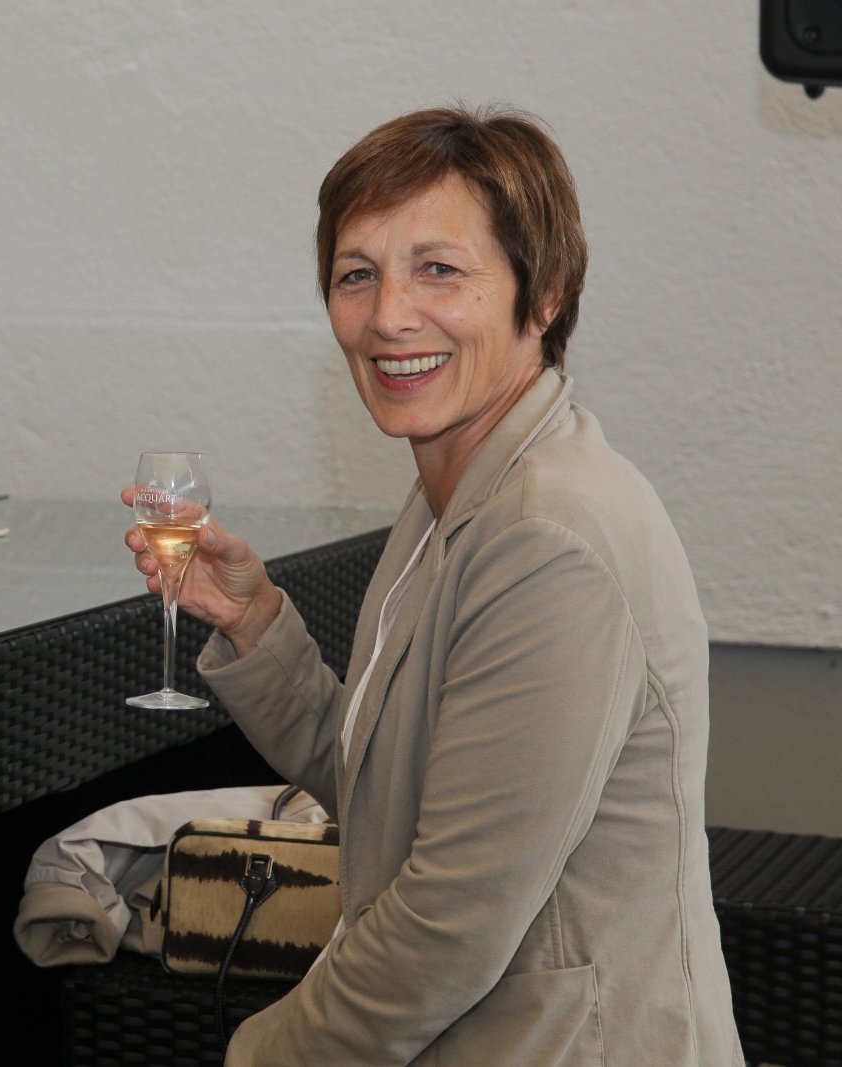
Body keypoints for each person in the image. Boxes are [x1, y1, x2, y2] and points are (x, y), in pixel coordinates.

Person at [123, 105, 743, 1065]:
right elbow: (385, 787)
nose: (388, 316)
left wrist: (257, 1053)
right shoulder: (453, 496)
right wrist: (255, 622)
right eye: (356, 275)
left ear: (545, 295)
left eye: (439, 270)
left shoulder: (546, 537)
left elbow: (447, 926)